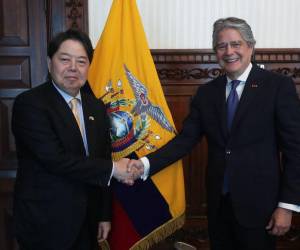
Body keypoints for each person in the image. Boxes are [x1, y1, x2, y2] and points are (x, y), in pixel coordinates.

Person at [129, 17, 300, 250]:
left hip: (261, 208)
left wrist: (287, 205)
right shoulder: (206, 93)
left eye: (236, 44)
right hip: (218, 205)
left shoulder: (278, 86)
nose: (229, 51)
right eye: (222, 46)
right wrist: (144, 165)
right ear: (215, 52)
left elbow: (295, 149)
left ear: (251, 46)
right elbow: (185, 141)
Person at [12, 29, 133, 250]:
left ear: (88, 67)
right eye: (65, 59)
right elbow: (55, 159)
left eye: (81, 61)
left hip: (88, 221)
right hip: (45, 222)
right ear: (50, 63)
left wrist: (104, 214)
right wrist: (114, 169)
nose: (73, 68)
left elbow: (103, 156)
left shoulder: (95, 106)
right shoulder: (30, 104)